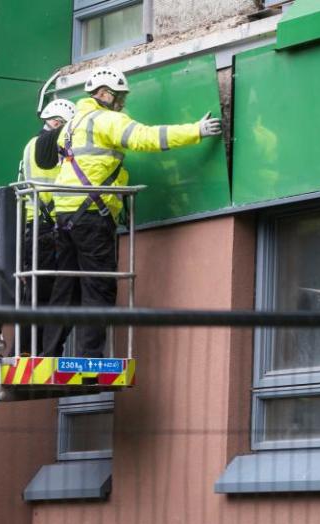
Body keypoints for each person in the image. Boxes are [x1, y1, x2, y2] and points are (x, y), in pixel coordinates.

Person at [40, 66, 222, 358]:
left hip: (65, 214)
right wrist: (195, 132)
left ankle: (47, 352)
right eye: (119, 97)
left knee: (66, 287)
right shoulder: (106, 120)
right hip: (91, 215)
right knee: (98, 287)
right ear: (104, 94)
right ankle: (90, 359)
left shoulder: (72, 125)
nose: (122, 103)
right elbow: (146, 138)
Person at [17, 98, 75, 354]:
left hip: (36, 225)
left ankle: (32, 348)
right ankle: (38, 349)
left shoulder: (31, 145)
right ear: (57, 123)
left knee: (38, 291)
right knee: (47, 292)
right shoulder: (48, 147)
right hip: (48, 226)